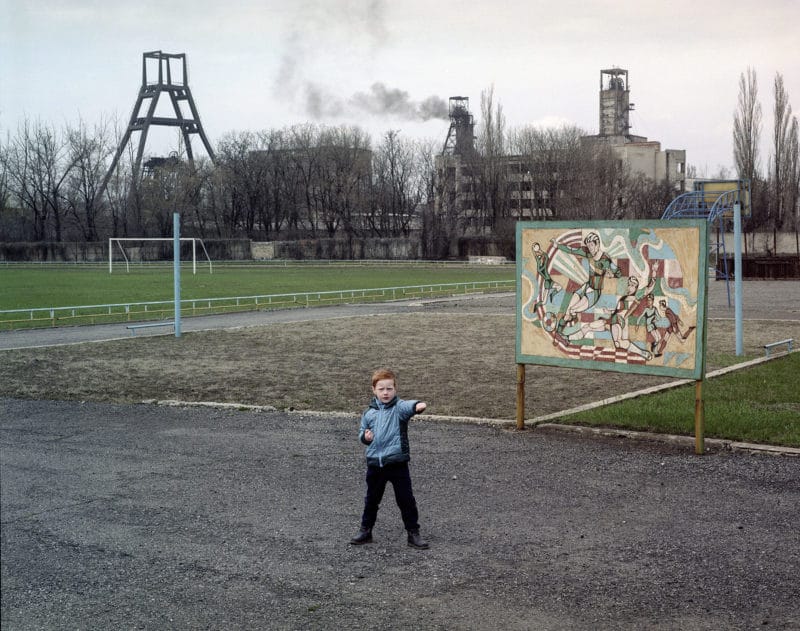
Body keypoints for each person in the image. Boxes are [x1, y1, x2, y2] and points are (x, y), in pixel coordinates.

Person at [350, 368, 430, 549]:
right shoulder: (369, 413)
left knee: (406, 499)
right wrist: (366, 437)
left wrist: (417, 406)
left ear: (395, 389)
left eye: (389, 388)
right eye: (381, 389)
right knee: (371, 499)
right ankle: (365, 531)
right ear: (374, 390)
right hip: (375, 464)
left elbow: (409, 406)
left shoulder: (399, 409)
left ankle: (413, 533)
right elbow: (362, 433)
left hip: (397, 463)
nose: (385, 392)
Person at [552, 232, 620, 341]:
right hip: (585, 287)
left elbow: (618, 272)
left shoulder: (605, 259)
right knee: (569, 309)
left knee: (573, 310)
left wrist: (612, 275)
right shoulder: (588, 253)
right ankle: (559, 333)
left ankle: (567, 331)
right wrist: (557, 245)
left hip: (594, 293)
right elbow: (571, 250)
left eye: (592, 245)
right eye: (588, 246)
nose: (590, 248)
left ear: (597, 244)